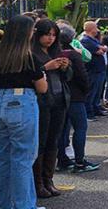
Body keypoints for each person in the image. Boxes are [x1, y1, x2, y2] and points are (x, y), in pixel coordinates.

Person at [0, 15, 48, 208]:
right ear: (26, 33)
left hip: (0, 101)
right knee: (23, 158)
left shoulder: (0, 55)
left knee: (3, 157)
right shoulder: (29, 57)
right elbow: (42, 87)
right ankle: (25, 205)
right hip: (22, 102)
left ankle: (1, 204)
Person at [31, 19, 70, 199]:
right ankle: (38, 182)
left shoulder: (56, 51)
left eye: (53, 35)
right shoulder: (32, 53)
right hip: (43, 102)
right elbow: (28, 75)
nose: (50, 38)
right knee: (41, 141)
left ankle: (48, 180)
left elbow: (68, 77)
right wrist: (46, 67)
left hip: (59, 99)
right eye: (47, 35)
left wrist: (65, 67)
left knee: (53, 141)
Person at [56, 24, 100, 173]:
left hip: (59, 96)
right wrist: (86, 91)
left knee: (62, 129)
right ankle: (80, 161)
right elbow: (82, 76)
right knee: (80, 128)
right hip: (75, 96)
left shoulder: (54, 53)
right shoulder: (73, 54)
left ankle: (62, 159)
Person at [80, 21, 108, 121]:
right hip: (93, 70)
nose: (97, 30)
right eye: (96, 28)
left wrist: (102, 48)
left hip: (99, 70)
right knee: (91, 92)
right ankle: (88, 113)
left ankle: (96, 108)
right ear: (91, 29)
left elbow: (103, 48)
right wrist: (102, 49)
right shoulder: (86, 40)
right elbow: (100, 50)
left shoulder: (94, 40)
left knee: (97, 92)